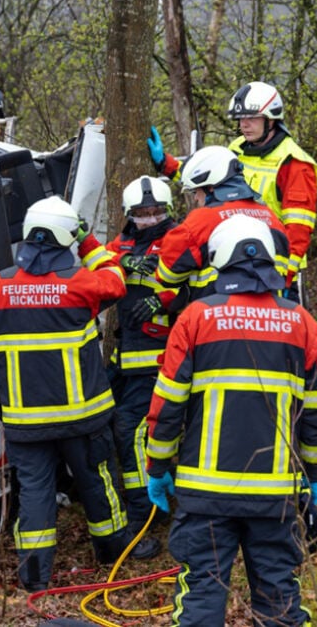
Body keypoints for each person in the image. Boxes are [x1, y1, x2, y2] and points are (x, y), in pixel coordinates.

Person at [145, 213, 317, 627]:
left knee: (203, 594)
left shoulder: (195, 319)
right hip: (276, 495)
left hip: (204, 495)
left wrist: (158, 467)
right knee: (279, 597)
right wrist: (313, 472)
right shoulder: (303, 324)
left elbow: (167, 405)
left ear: (220, 262)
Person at [0, 195, 135, 591]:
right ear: (66, 237)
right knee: (96, 483)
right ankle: (112, 557)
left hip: (26, 422)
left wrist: (0, 389)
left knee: (36, 493)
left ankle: (36, 577)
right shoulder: (79, 283)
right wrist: (89, 242)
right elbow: (117, 280)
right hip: (83, 417)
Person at [148, 81, 317, 302]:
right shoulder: (237, 148)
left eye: (252, 118)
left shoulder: (294, 163)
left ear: (272, 118)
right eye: (240, 119)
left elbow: (298, 231)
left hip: (275, 266)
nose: (244, 125)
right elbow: (207, 181)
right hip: (233, 260)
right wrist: (166, 165)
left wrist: (283, 278)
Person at [99, 176, 181, 558]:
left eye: (155, 212)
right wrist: (123, 261)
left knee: (130, 432)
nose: (150, 218)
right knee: (113, 428)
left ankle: (143, 514)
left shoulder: (178, 239)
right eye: (142, 213)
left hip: (161, 356)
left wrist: (165, 300)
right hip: (128, 356)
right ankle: (151, 504)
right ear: (130, 214)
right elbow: (99, 262)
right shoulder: (124, 243)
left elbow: (197, 281)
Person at [152, 145, 290, 307]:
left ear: (210, 187)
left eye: (196, 192)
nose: (196, 198)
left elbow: (167, 275)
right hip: (269, 320)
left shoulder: (200, 221)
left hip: (218, 320)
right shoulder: (271, 218)